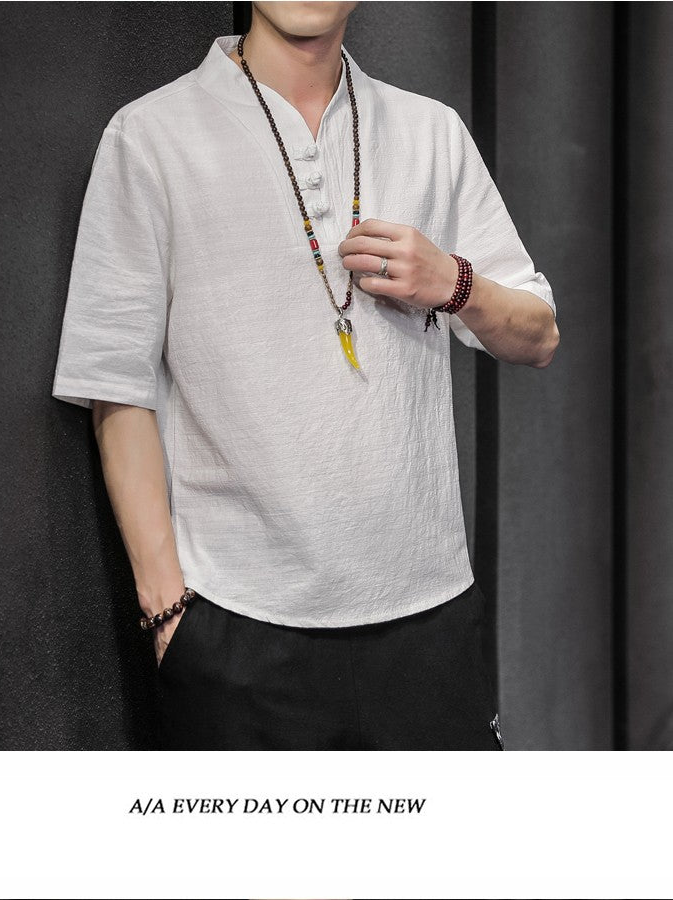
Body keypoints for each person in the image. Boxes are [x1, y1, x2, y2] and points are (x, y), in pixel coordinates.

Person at [52, 1, 559, 750]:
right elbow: (114, 384)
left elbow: (539, 335)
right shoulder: (151, 135)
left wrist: (453, 281)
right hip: (237, 628)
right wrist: (167, 611)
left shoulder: (431, 131)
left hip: (431, 621)